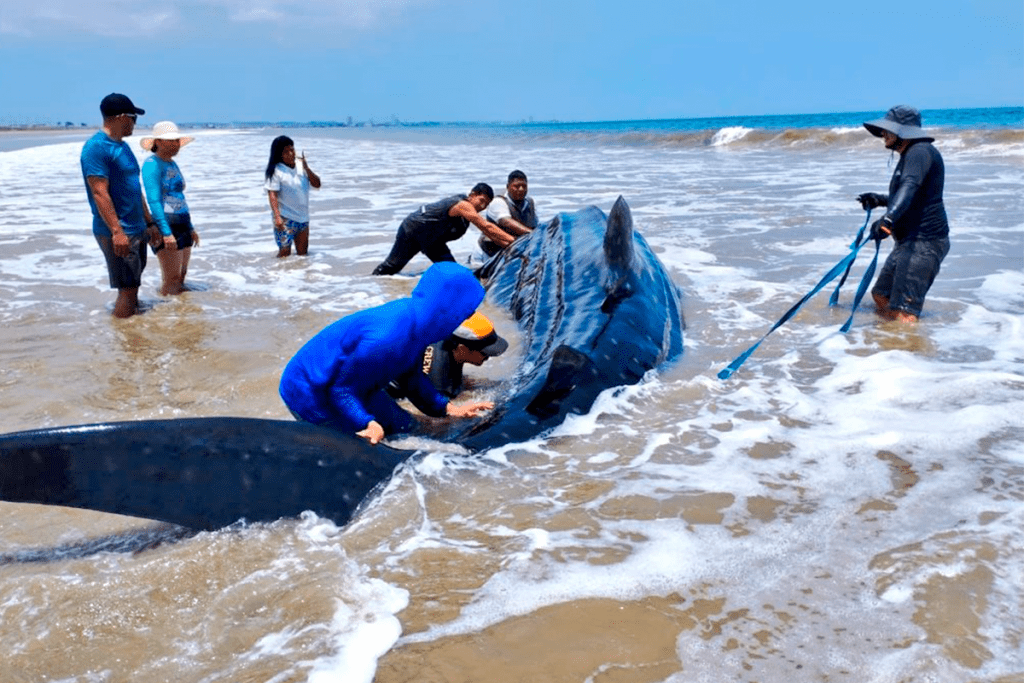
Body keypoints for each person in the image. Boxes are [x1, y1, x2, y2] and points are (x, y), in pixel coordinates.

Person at [280, 262, 495, 444]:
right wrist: (368, 423)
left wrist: (448, 408)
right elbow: (341, 390)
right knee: (360, 448)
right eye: (466, 312)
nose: (465, 317)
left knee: (412, 427)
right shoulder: (387, 338)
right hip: (312, 390)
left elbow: (412, 378)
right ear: (447, 308)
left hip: (358, 386)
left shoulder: (419, 326)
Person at [857, 105, 950, 323]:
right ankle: (889, 343)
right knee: (881, 295)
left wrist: (888, 219)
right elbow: (912, 197)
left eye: (888, 129)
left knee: (904, 313)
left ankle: (906, 347)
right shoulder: (910, 154)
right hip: (907, 243)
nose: (883, 134)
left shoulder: (919, 151)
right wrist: (880, 200)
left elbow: (909, 186)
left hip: (925, 242)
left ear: (904, 132)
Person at [80, 93, 158, 318]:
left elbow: (135, 188)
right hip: (118, 230)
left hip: (136, 227)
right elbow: (99, 192)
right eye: (134, 117)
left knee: (133, 286)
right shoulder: (96, 148)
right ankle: (126, 343)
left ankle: (132, 334)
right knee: (127, 289)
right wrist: (117, 231)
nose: (135, 123)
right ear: (122, 117)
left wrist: (149, 222)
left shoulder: (122, 146)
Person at [371, 183, 516, 275]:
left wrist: (510, 246)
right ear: (472, 195)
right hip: (412, 231)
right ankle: (372, 287)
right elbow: (486, 226)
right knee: (390, 268)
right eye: (481, 201)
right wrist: (514, 241)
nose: (482, 207)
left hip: (433, 241)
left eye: (486, 204)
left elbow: (490, 232)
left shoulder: (467, 216)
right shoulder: (463, 205)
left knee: (452, 272)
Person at [389, 311, 509, 400]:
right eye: (485, 353)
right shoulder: (440, 381)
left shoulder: (446, 338)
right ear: (462, 349)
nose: (489, 357)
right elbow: (434, 421)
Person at [141, 121, 198, 296]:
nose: (175, 144)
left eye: (176, 140)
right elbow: (154, 201)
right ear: (157, 142)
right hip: (166, 224)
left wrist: (191, 228)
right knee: (171, 280)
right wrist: (166, 232)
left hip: (182, 222)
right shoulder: (152, 164)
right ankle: (166, 319)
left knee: (181, 276)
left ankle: (182, 317)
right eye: (170, 141)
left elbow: (180, 197)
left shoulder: (172, 163)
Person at [264, 135, 321, 258]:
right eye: (286, 151)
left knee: (302, 255)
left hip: (303, 218)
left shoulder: (302, 166)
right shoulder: (276, 170)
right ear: (279, 154)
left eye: (292, 149)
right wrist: (277, 217)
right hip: (285, 219)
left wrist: (307, 169)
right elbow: (272, 194)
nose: (290, 153)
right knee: (284, 254)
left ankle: (297, 277)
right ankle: (275, 274)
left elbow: (317, 184)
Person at [481, 170, 538, 257]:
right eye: (516, 186)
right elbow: (507, 222)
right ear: (508, 187)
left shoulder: (530, 203)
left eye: (524, 186)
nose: (521, 189)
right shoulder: (498, 202)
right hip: (489, 252)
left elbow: (536, 225)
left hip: (513, 251)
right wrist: (533, 234)